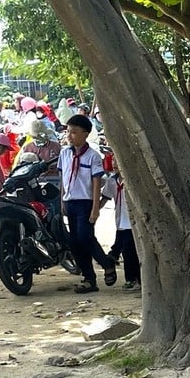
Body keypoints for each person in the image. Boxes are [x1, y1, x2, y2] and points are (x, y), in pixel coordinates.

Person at [59, 114, 117, 293]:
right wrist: (62, 200)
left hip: (85, 202)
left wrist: (95, 208)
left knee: (85, 237)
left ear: (85, 134)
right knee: (75, 242)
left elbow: (96, 182)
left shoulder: (93, 156)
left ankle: (106, 263)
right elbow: (63, 178)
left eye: (74, 132)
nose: (70, 136)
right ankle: (88, 278)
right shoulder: (65, 154)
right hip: (70, 201)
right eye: (68, 131)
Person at [101, 163, 140, 290]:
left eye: (117, 160)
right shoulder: (112, 181)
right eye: (113, 160)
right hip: (120, 223)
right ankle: (114, 263)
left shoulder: (134, 180)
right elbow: (105, 198)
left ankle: (133, 279)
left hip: (132, 222)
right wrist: (94, 211)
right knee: (124, 250)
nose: (114, 164)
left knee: (130, 252)